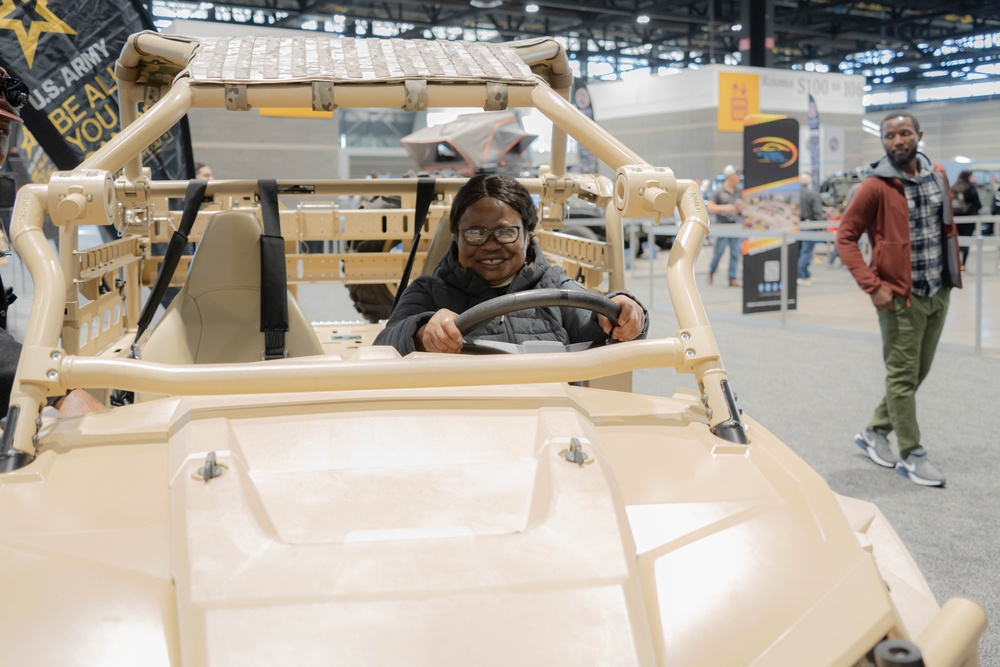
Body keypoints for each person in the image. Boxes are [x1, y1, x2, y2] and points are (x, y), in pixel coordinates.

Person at [374, 174, 647, 355]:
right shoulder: (429, 292)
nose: (490, 244)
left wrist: (625, 312)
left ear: (528, 234)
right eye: (475, 233)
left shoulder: (554, 285)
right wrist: (422, 331)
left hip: (551, 414)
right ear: (456, 237)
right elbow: (384, 346)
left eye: (506, 232)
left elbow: (594, 321)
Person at [836, 112, 961, 488]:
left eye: (904, 133)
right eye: (889, 136)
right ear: (884, 142)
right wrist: (872, 285)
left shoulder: (937, 175)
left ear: (918, 135)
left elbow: (945, 227)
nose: (897, 141)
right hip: (899, 298)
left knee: (917, 372)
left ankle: (874, 430)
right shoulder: (875, 186)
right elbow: (845, 237)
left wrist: (952, 272)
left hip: (937, 291)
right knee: (903, 376)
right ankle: (911, 454)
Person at [706, 164, 744, 287]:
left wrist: (740, 209)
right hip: (723, 227)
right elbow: (710, 207)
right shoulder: (719, 192)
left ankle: (732, 278)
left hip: (735, 227)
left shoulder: (739, 191)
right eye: (736, 174)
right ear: (729, 176)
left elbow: (745, 207)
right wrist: (725, 208)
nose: (738, 176)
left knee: (735, 253)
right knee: (719, 252)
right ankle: (712, 270)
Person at [796, 173, 825, 284]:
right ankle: (801, 274)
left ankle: (805, 273)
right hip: (810, 226)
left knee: (799, 252)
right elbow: (817, 213)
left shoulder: (794, 195)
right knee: (806, 252)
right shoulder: (813, 195)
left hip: (797, 226)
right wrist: (821, 226)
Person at [950, 169, 981, 268]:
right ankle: (963, 264)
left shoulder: (954, 187)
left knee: (957, 241)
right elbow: (978, 204)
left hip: (956, 218)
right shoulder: (970, 189)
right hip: (969, 218)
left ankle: (957, 264)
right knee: (967, 241)